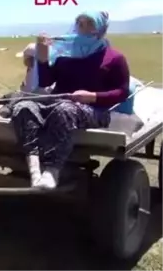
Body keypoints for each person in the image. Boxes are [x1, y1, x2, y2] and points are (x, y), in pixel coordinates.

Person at [11, 11, 130, 189]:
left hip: (95, 110)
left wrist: (92, 97)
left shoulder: (114, 58)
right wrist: (43, 59)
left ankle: (52, 171)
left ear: (100, 30)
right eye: (79, 23)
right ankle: (35, 169)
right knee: (23, 107)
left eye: (88, 23)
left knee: (64, 110)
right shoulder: (66, 53)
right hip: (57, 102)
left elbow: (122, 92)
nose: (81, 27)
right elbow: (46, 82)